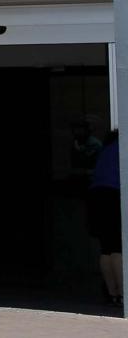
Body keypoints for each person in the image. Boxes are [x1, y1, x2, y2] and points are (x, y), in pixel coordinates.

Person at [89, 129, 122, 307]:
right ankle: (124, 294)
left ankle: (113, 294)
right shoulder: (121, 146)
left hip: (96, 197)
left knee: (106, 248)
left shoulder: (106, 148)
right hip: (112, 196)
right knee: (118, 248)